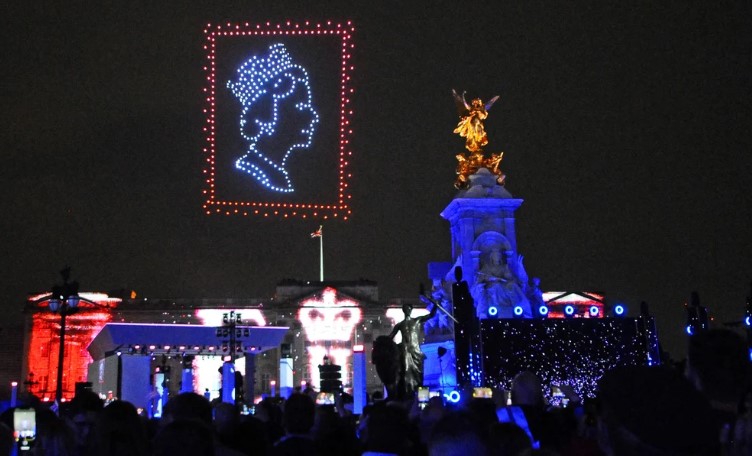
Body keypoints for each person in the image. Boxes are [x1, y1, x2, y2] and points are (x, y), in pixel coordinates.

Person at [227, 43, 320, 193]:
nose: (313, 116)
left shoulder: (273, 174)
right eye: (301, 106)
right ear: (265, 114)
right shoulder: (251, 176)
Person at [389, 300, 438, 397]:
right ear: (404, 311)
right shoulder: (400, 325)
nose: (408, 310)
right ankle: (408, 394)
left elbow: (431, 315)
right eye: (406, 309)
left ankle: (421, 396)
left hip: (415, 351)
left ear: (411, 310)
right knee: (406, 371)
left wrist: (435, 306)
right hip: (405, 350)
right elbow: (390, 336)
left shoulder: (417, 321)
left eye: (409, 309)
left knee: (419, 373)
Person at [471, 248, 531, 318]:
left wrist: (507, 280)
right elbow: (481, 277)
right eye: (496, 255)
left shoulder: (504, 267)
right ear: (492, 257)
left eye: (499, 255)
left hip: (503, 285)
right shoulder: (487, 266)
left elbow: (509, 277)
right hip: (491, 286)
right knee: (497, 286)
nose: (497, 257)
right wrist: (491, 279)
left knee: (512, 287)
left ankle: (518, 306)